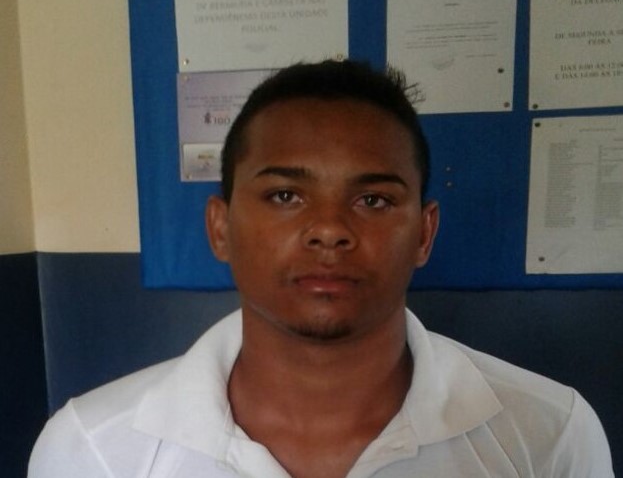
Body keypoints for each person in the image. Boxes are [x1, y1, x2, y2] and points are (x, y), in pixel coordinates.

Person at [29, 60, 613, 477]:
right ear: (221, 228)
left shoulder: (548, 433)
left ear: (424, 233)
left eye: (373, 200)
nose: (329, 229)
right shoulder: (94, 450)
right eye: (285, 196)